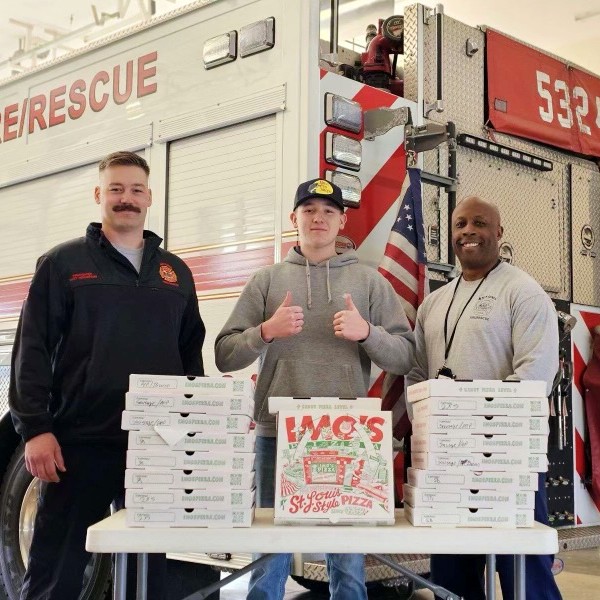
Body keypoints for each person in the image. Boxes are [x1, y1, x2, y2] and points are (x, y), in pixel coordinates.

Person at [9, 151, 206, 600]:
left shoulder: (175, 273)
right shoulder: (62, 264)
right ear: (99, 196)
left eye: (136, 190)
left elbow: (189, 356)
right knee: (57, 570)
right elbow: (32, 350)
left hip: (157, 445)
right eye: (116, 189)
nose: (126, 199)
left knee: (146, 574)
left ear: (149, 197)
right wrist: (36, 430)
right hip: (80, 444)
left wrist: (198, 423)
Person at [215, 178, 415, 600]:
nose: (318, 218)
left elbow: (404, 356)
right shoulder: (266, 281)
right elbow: (224, 354)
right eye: (309, 210)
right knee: (269, 555)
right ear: (294, 219)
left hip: (348, 437)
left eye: (328, 211)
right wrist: (266, 332)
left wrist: (367, 334)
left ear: (342, 220)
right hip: (278, 432)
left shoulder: (369, 282)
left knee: (347, 561)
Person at [407, 196, 562, 600]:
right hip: (446, 458)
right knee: (451, 575)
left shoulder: (524, 293)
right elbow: (418, 374)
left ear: (499, 233)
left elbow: (535, 375)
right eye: (460, 225)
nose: (468, 232)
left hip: (507, 458)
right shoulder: (433, 303)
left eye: (479, 223)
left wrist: (478, 422)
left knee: (523, 572)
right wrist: (428, 425)